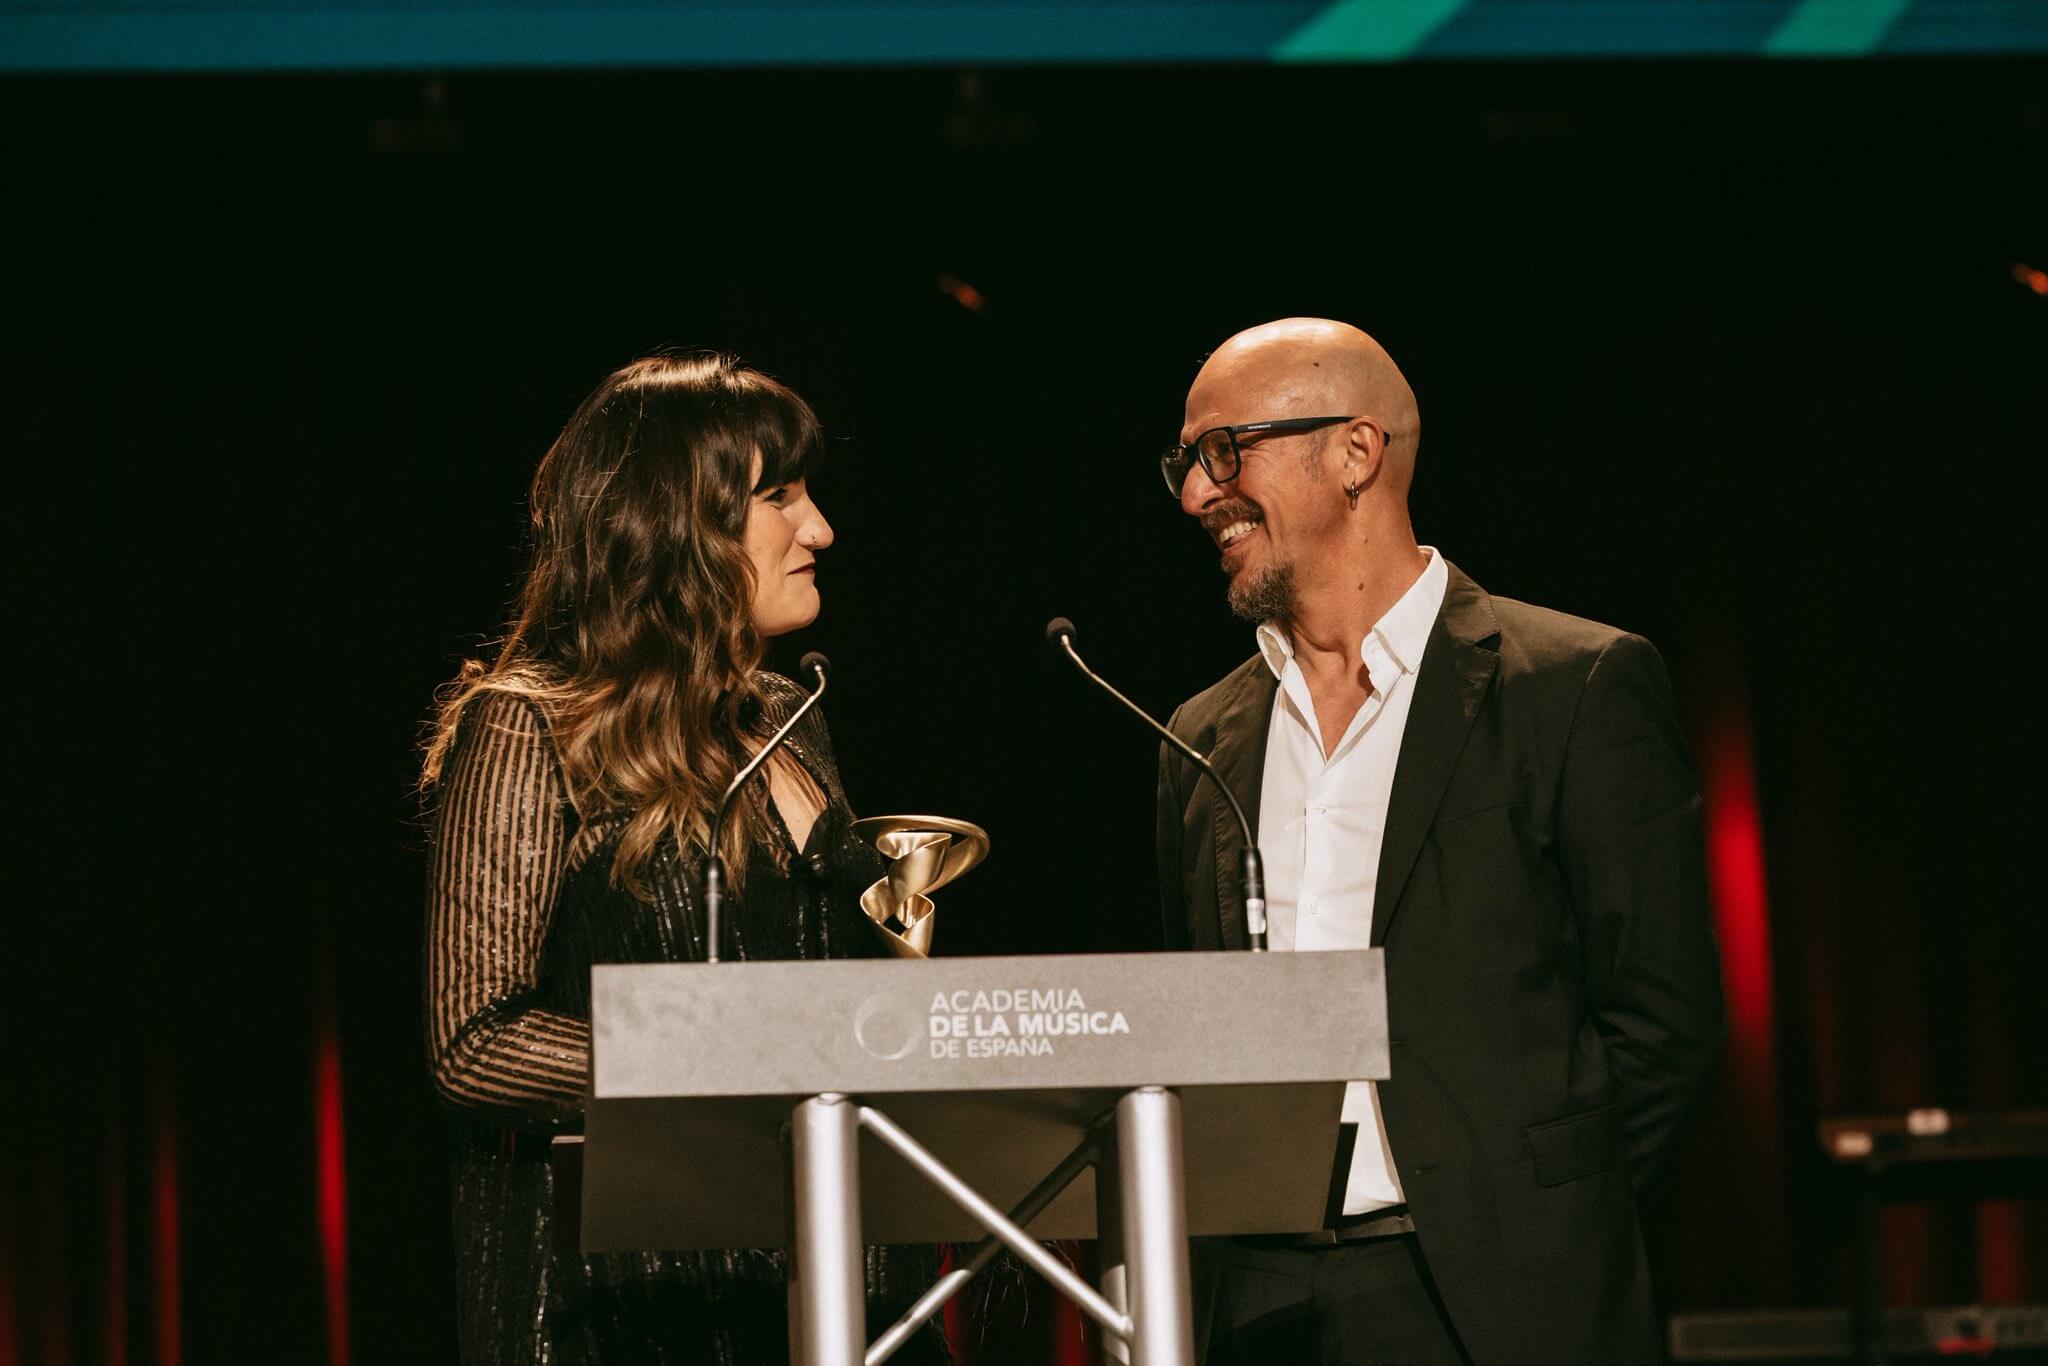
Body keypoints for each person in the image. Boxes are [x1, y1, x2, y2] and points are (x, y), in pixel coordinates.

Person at [1154, 318, 1723, 1364]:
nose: (1197, 493)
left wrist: (1543, 1222)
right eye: (1186, 461)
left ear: (1355, 452)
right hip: (1259, 1308)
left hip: (1501, 1303)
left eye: (1225, 451)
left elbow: (1663, 1028)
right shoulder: (1201, 737)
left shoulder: (1572, 685)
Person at [419, 354, 943, 1366]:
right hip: (635, 1304)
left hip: (842, 1277)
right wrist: (729, 1065)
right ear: (673, 524)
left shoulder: (791, 716)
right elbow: (474, 1042)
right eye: (779, 497)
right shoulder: (529, 726)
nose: (820, 529)